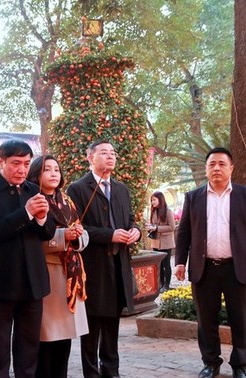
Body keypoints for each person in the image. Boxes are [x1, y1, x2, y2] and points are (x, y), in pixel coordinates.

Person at [0, 139, 56, 377]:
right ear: (1, 162)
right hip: (0, 282)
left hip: (33, 282)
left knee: (29, 349)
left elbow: (47, 233)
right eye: (16, 163)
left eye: (26, 164)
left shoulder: (33, 189)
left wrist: (41, 218)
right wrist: (26, 212)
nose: (22, 170)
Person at [66, 140, 140, 378]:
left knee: (112, 323)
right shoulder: (77, 189)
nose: (110, 157)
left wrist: (134, 231)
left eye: (113, 153)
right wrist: (110, 235)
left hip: (118, 265)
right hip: (93, 267)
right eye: (104, 153)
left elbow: (130, 220)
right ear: (90, 157)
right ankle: (91, 372)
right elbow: (76, 227)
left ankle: (112, 371)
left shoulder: (121, 189)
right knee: (92, 324)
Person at [175, 147, 246, 378]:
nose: (216, 168)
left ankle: (241, 364)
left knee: (242, 319)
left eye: (222, 164)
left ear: (231, 168)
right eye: (212, 164)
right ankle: (211, 363)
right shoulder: (193, 197)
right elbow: (184, 232)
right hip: (204, 269)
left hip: (238, 268)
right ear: (206, 169)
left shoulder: (244, 196)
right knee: (206, 321)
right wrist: (179, 262)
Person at [26, 155, 89, 378]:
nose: (54, 174)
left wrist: (80, 236)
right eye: (47, 170)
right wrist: (63, 236)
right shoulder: (34, 200)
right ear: (36, 174)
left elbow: (81, 229)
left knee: (65, 334)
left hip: (71, 273)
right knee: (47, 334)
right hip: (48, 272)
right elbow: (33, 240)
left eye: (57, 170)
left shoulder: (67, 200)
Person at [146, 191, 176, 293]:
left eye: (154, 199)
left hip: (166, 242)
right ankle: (160, 284)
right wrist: (150, 227)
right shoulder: (153, 212)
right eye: (151, 200)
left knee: (166, 264)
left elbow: (172, 227)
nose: (152, 202)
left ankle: (167, 284)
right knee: (158, 264)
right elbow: (153, 224)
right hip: (155, 242)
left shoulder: (168, 211)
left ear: (160, 199)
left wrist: (157, 228)